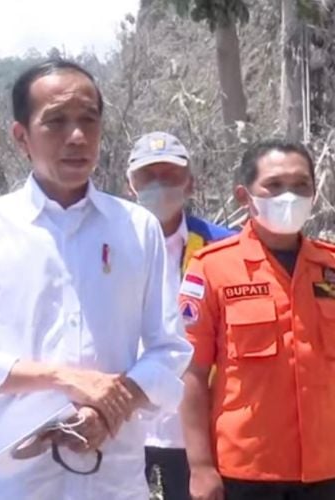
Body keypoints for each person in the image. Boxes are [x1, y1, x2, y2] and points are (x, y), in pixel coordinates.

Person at [0, 59, 192, 500]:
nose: (77, 137)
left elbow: (169, 349)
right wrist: (62, 378)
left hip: (114, 480)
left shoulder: (137, 228)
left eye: (89, 120)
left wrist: (111, 408)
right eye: (56, 122)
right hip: (13, 484)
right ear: (21, 137)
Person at [180, 140, 335, 500]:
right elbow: (191, 374)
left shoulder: (329, 266)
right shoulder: (213, 267)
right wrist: (200, 467)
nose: (289, 196)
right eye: (275, 185)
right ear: (244, 195)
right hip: (247, 470)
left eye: (301, 186)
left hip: (327, 467)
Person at [126, 132, 233, 500]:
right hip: (125, 426)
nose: (158, 185)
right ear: (130, 185)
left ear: (190, 181)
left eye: (169, 174)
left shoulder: (223, 247)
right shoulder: (109, 245)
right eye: (147, 176)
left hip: (195, 434)